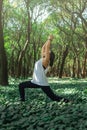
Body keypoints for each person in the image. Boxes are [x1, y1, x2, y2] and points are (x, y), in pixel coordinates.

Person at [19, 35, 69, 102]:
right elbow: (43, 48)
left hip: (42, 83)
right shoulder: (42, 59)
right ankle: (22, 100)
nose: (45, 51)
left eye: (47, 52)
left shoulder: (46, 61)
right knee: (21, 85)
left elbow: (47, 47)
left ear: (49, 55)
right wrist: (47, 40)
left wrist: (50, 39)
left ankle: (68, 101)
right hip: (35, 81)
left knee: (54, 98)